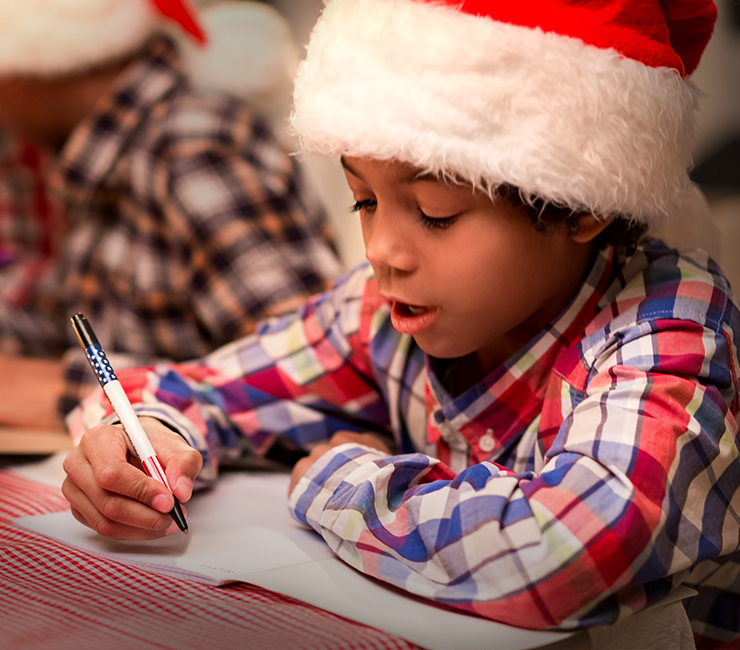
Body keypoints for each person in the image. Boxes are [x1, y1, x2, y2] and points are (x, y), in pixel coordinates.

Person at [63, 0, 740, 646]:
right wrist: (141, 435)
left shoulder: (668, 323)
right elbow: (205, 388)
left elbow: (566, 547)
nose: (381, 250)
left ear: (581, 201)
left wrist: (339, 482)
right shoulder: (377, 314)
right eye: (363, 201)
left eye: (436, 210)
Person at [0, 0, 342, 430]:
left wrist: (62, 390)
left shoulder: (190, 146)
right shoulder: (106, 157)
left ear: (33, 61)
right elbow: (64, 314)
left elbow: (311, 379)